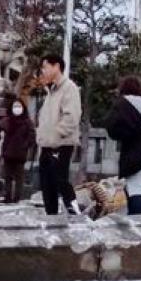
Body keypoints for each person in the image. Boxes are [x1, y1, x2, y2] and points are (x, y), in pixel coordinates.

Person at [37, 54, 82, 215]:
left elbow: (72, 117)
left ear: (56, 66)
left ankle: (75, 214)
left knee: (60, 181)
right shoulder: (50, 92)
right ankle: (52, 218)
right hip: (47, 145)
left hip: (61, 145)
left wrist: (55, 137)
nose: (43, 71)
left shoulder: (69, 87)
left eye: (45, 67)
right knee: (47, 185)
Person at [107, 76, 141, 215]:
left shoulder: (122, 104)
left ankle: (139, 222)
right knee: (132, 187)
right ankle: (133, 218)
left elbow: (112, 128)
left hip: (132, 154)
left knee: (136, 190)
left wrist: (125, 134)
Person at [0, 98, 35, 203]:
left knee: (19, 177)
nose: (17, 108)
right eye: (15, 106)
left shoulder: (27, 122)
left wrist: (25, 146)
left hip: (20, 153)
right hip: (7, 151)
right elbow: (1, 130)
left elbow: (32, 136)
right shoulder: (7, 120)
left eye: (19, 106)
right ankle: (7, 196)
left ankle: (17, 197)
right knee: (7, 176)